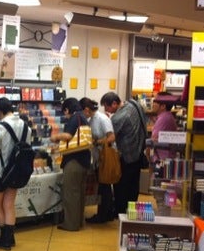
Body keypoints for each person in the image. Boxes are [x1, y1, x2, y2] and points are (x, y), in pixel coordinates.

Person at [0, 97, 31, 250]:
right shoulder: (26, 127)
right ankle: (10, 238)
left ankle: (4, 238)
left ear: (0, 111)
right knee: (9, 204)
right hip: (16, 172)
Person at [100, 92, 147, 216]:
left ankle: (120, 211)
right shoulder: (134, 104)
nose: (107, 110)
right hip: (138, 152)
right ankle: (132, 210)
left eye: (107, 107)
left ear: (114, 103)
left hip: (126, 156)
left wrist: (107, 121)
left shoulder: (118, 118)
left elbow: (110, 136)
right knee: (134, 185)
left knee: (121, 186)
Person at [49, 97, 91, 231]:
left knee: (71, 193)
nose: (65, 115)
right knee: (79, 193)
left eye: (64, 112)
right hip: (84, 160)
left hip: (74, 161)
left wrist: (55, 137)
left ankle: (71, 224)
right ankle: (79, 221)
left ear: (67, 110)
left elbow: (68, 136)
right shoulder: (83, 117)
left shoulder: (74, 118)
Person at [80, 97, 116, 224]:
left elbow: (111, 137)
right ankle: (106, 213)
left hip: (105, 157)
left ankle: (103, 215)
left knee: (104, 186)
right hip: (98, 157)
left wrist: (96, 142)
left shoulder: (102, 119)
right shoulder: (91, 120)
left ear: (86, 109)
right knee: (103, 187)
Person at [149, 93, 179, 161]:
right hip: (165, 157)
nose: (153, 104)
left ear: (163, 106)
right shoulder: (166, 116)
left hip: (163, 159)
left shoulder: (164, 118)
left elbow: (153, 139)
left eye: (155, 102)